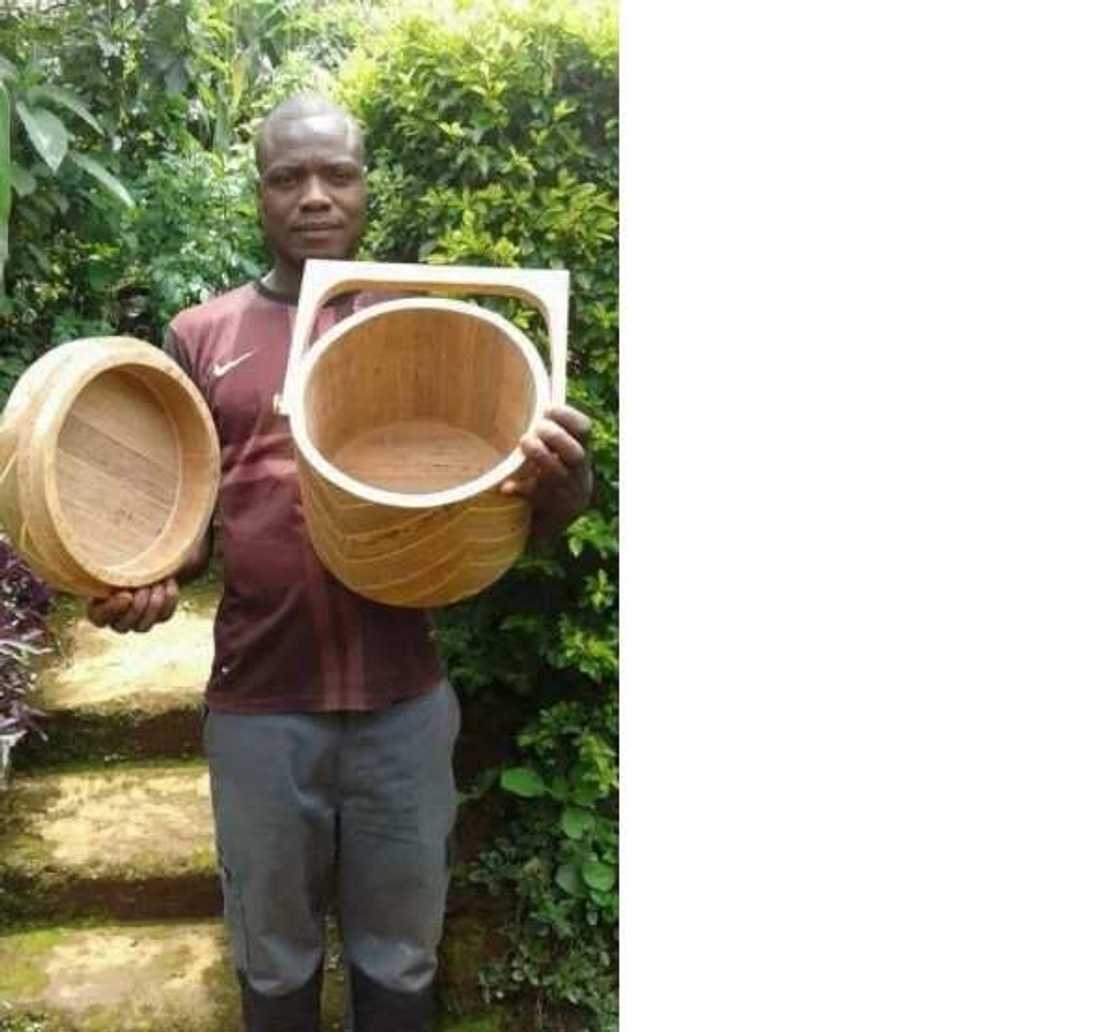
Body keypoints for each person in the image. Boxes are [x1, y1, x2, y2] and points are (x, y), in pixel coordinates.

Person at [87, 93, 593, 1032]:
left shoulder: (428, 330)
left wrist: (561, 500)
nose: (314, 196)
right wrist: (143, 573)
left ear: (366, 188)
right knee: (272, 962)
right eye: (288, 178)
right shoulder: (204, 336)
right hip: (259, 708)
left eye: (338, 175)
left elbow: (492, 514)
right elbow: (187, 524)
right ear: (259, 196)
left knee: (400, 961)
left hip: (403, 705)